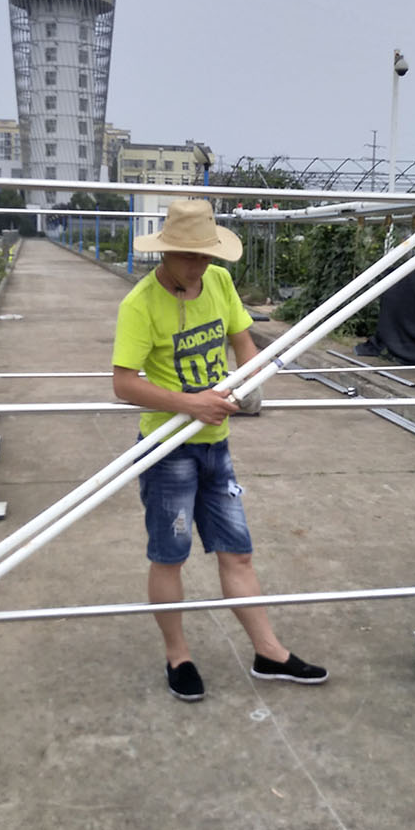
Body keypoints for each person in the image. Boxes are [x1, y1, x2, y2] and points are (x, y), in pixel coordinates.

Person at [112, 198, 328, 702]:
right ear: (165, 252)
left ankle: (269, 653)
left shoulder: (219, 282)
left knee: (239, 552)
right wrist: (187, 404)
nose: (199, 265)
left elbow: (243, 341)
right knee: (170, 556)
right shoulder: (139, 304)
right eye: (189, 256)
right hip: (167, 449)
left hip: (215, 445)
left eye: (206, 255)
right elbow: (123, 384)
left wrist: (249, 378)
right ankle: (178, 656)